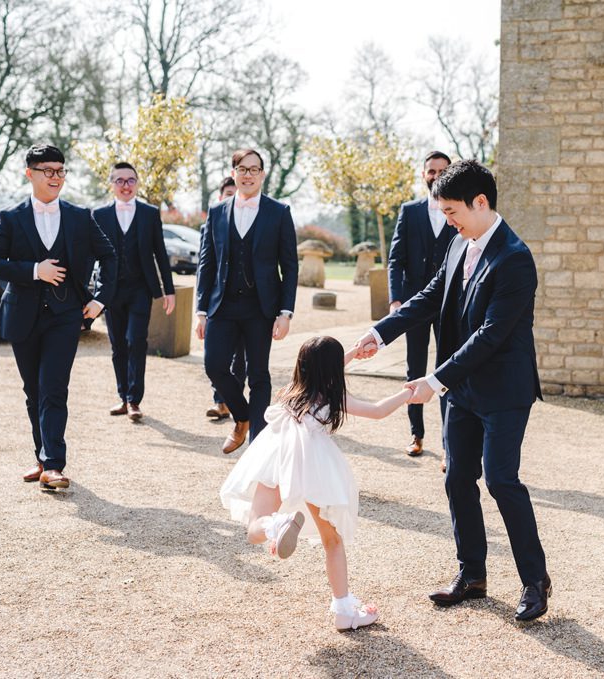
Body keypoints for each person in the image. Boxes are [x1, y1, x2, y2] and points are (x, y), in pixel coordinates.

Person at [353, 160, 552, 621]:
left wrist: (434, 380)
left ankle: (534, 581)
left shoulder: (515, 258)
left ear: (480, 203)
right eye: (443, 212)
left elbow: (491, 334)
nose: (448, 221)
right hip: (461, 389)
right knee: (457, 477)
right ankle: (472, 575)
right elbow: (428, 298)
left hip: (504, 389)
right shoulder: (458, 246)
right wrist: (380, 333)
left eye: (452, 211)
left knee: (502, 481)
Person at [219, 336, 418, 630]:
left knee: (254, 528)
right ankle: (343, 609)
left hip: (274, 456)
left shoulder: (291, 391)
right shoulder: (331, 398)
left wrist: (352, 352)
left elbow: (322, 366)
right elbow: (377, 411)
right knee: (332, 541)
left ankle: (276, 525)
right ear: (332, 372)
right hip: (313, 464)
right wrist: (408, 393)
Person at [0, 144, 116, 491]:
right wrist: (34, 271)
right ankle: (42, 457)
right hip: (23, 315)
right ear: (31, 174)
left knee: (54, 388)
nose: (56, 177)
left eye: (60, 170)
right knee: (33, 390)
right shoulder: (10, 218)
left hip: (65, 316)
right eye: (48, 171)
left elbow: (110, 257)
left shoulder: (79, 216)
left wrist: (100, 299)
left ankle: (55, 464)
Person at [196, 149, 299, 453]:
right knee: (214, 366)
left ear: (263, 174)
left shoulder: (278, 212)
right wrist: (201, 310)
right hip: (222, 305)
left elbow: (289, 265)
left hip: (261, 307)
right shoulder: (217, 212)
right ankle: (242, 417)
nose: (248, 174)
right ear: (233, 173)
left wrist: (285, 312)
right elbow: (207, 263)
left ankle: (257, 445)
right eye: (242, 169)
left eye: (255, 169)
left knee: (258, 375)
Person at [93, 162, 177, 423]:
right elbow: (88, 255)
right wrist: (87, 294)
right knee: (118, 344)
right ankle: (122, 396)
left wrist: (168, 290)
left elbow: (160, 253)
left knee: (136, 341)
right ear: (112, 184)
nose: (126, 185)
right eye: (120, 180)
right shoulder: (99, 214)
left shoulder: (150, 213)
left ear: (137, 183)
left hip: (141, 288)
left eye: (131, 180)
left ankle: (134, 400)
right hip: (111, 290)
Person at [386, 151, 456, 458]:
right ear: (423, 174)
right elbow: (396, 258)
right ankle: (416, 434)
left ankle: (448, 442)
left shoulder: (460, 212)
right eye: (431, 170)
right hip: (415, 304)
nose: (436, 175)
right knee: (413, 368)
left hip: (451, 305)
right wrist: (396, 299)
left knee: (447, 372)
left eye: (443, 170)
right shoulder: (410, 211)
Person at [208, 178, 246, 421]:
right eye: (228, 193)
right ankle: (222, 400)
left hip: (245, 304)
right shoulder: (211, 223)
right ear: (221, 197)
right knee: (215, 359)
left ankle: (228, 403)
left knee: (239, 357)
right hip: (217, 304)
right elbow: (205, 267)